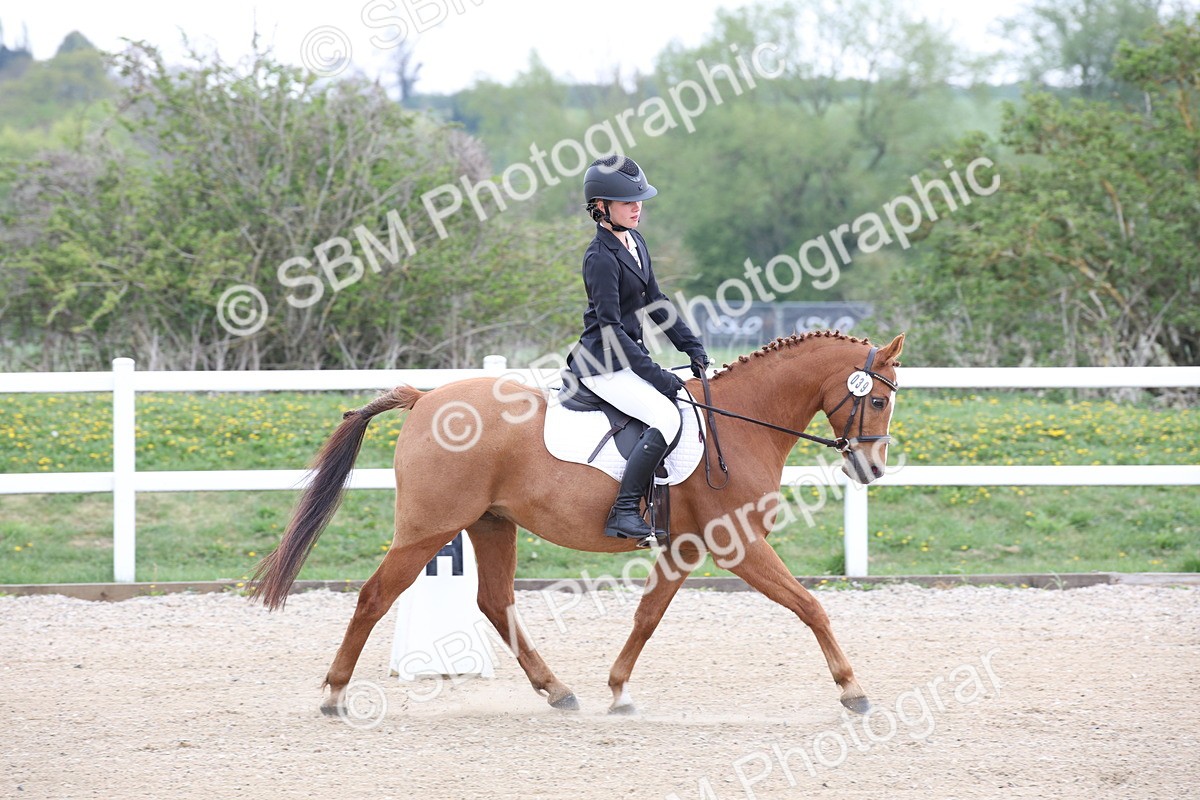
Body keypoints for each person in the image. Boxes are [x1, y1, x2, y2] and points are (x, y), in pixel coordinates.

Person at [566, 155, 711, 547]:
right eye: (627, 201)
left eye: (639, 199)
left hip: (626, 355)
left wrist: (691, 346)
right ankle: (625, 511)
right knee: (665, 415)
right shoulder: (599, 258)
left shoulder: (635, 241)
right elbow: (612, 329)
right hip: (602, 362)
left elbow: (655, 301)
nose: (637, 207)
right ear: (600, 207)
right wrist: (657, 375)